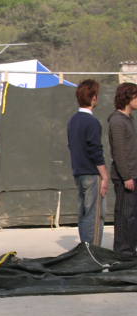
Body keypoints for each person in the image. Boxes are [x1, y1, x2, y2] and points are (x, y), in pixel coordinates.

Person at [67, 79, 109, 245]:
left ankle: (85, 249)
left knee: (84, 213)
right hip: (92, 173)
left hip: (78, 172)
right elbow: (95, 151)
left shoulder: (73, 120)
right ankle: (93, 252)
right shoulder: (92, 122)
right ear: (93, 98)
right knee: (95, 215)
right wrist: (104, 176)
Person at [108, 82, 137, 255]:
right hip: (125, 177)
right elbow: (118, 152)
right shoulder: (117, 121)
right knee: (125, 214)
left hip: (134, 174)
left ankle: (131, 249)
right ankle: (123, 251)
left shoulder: (129, 119)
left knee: (132, 215)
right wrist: (126, 177)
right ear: (128, 97)